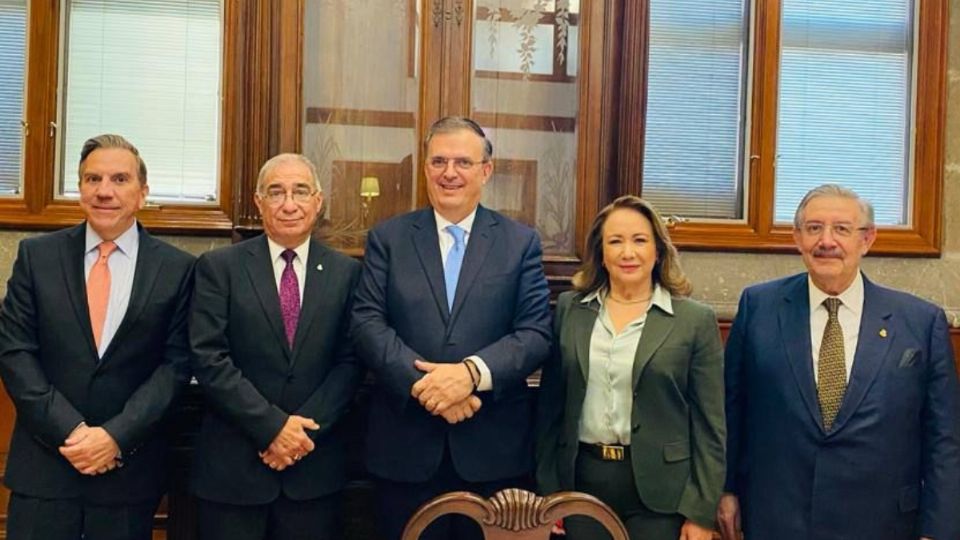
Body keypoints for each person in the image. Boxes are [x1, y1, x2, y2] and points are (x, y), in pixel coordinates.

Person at [718, 184, 960, 540]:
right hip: (777, 518)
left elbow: (944, 438)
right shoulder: (759, 308)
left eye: (842, 229)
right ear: (797, 238)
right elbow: (731, 410)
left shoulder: (921, 322)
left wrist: (938, 529)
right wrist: (725, 490)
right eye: (814, 228)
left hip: (884, 524)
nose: (826, 241)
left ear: (867, 239)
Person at [351, 116, 552, 540]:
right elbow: (367, 322)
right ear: (425, 168)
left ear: (486, 170)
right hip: (404, 453)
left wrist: (469, 375)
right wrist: (430, 388)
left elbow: (534, 333)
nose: (449, 173)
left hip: (493, 455)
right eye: (438, 161)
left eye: (463, 162)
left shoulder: (520, 242)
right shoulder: (389, 238)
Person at [0, 134, 194, 540]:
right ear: (80, 189)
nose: (105, 191)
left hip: (126, 473)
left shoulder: (179, 270)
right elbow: (15, 351)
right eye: (93, 179)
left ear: (142, 193)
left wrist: (114, 437)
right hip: (45, 468)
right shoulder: (37, 257)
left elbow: (175, 367)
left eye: (120, 179)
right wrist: (72, 432)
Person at [189, 153, 361, 540]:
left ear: (318, 202)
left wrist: (299, 437)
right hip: (234, 474)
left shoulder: (347, 273)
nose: (289, 204)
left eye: (301, 191)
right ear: (258, 202)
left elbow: (350, 363)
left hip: (313, 472)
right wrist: (272, 428)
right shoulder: (220, 269)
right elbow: (208, 358)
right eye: (276, 192)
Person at [535, 195, 725, 540]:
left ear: (658, 250)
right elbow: (550, 407)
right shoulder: (570, 309)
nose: (628, 253)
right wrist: (549, 492)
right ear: (601, 252)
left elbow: (711, 426)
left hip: (662, 494)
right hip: (582, 484)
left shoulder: (694, 320)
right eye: (615, 241)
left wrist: (701, 511)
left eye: (640, 240)